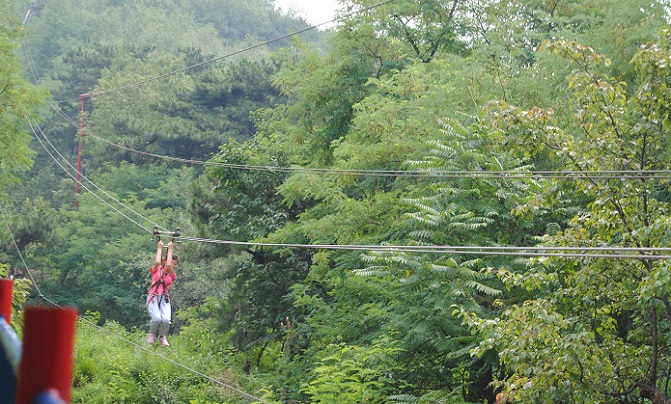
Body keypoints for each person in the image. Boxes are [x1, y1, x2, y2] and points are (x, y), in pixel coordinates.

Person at [146, 239, 178, 346]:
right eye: (172, 263)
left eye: (175, 264)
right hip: (154, 297)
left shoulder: (172, 275)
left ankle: (162, 336)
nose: (173, 266)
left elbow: (168, 266)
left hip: (164, 298)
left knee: (165, 320)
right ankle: (152, 334)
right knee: (156, 319)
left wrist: (170, 249)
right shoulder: (156, 269)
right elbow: (157, 262)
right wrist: (159, 248)